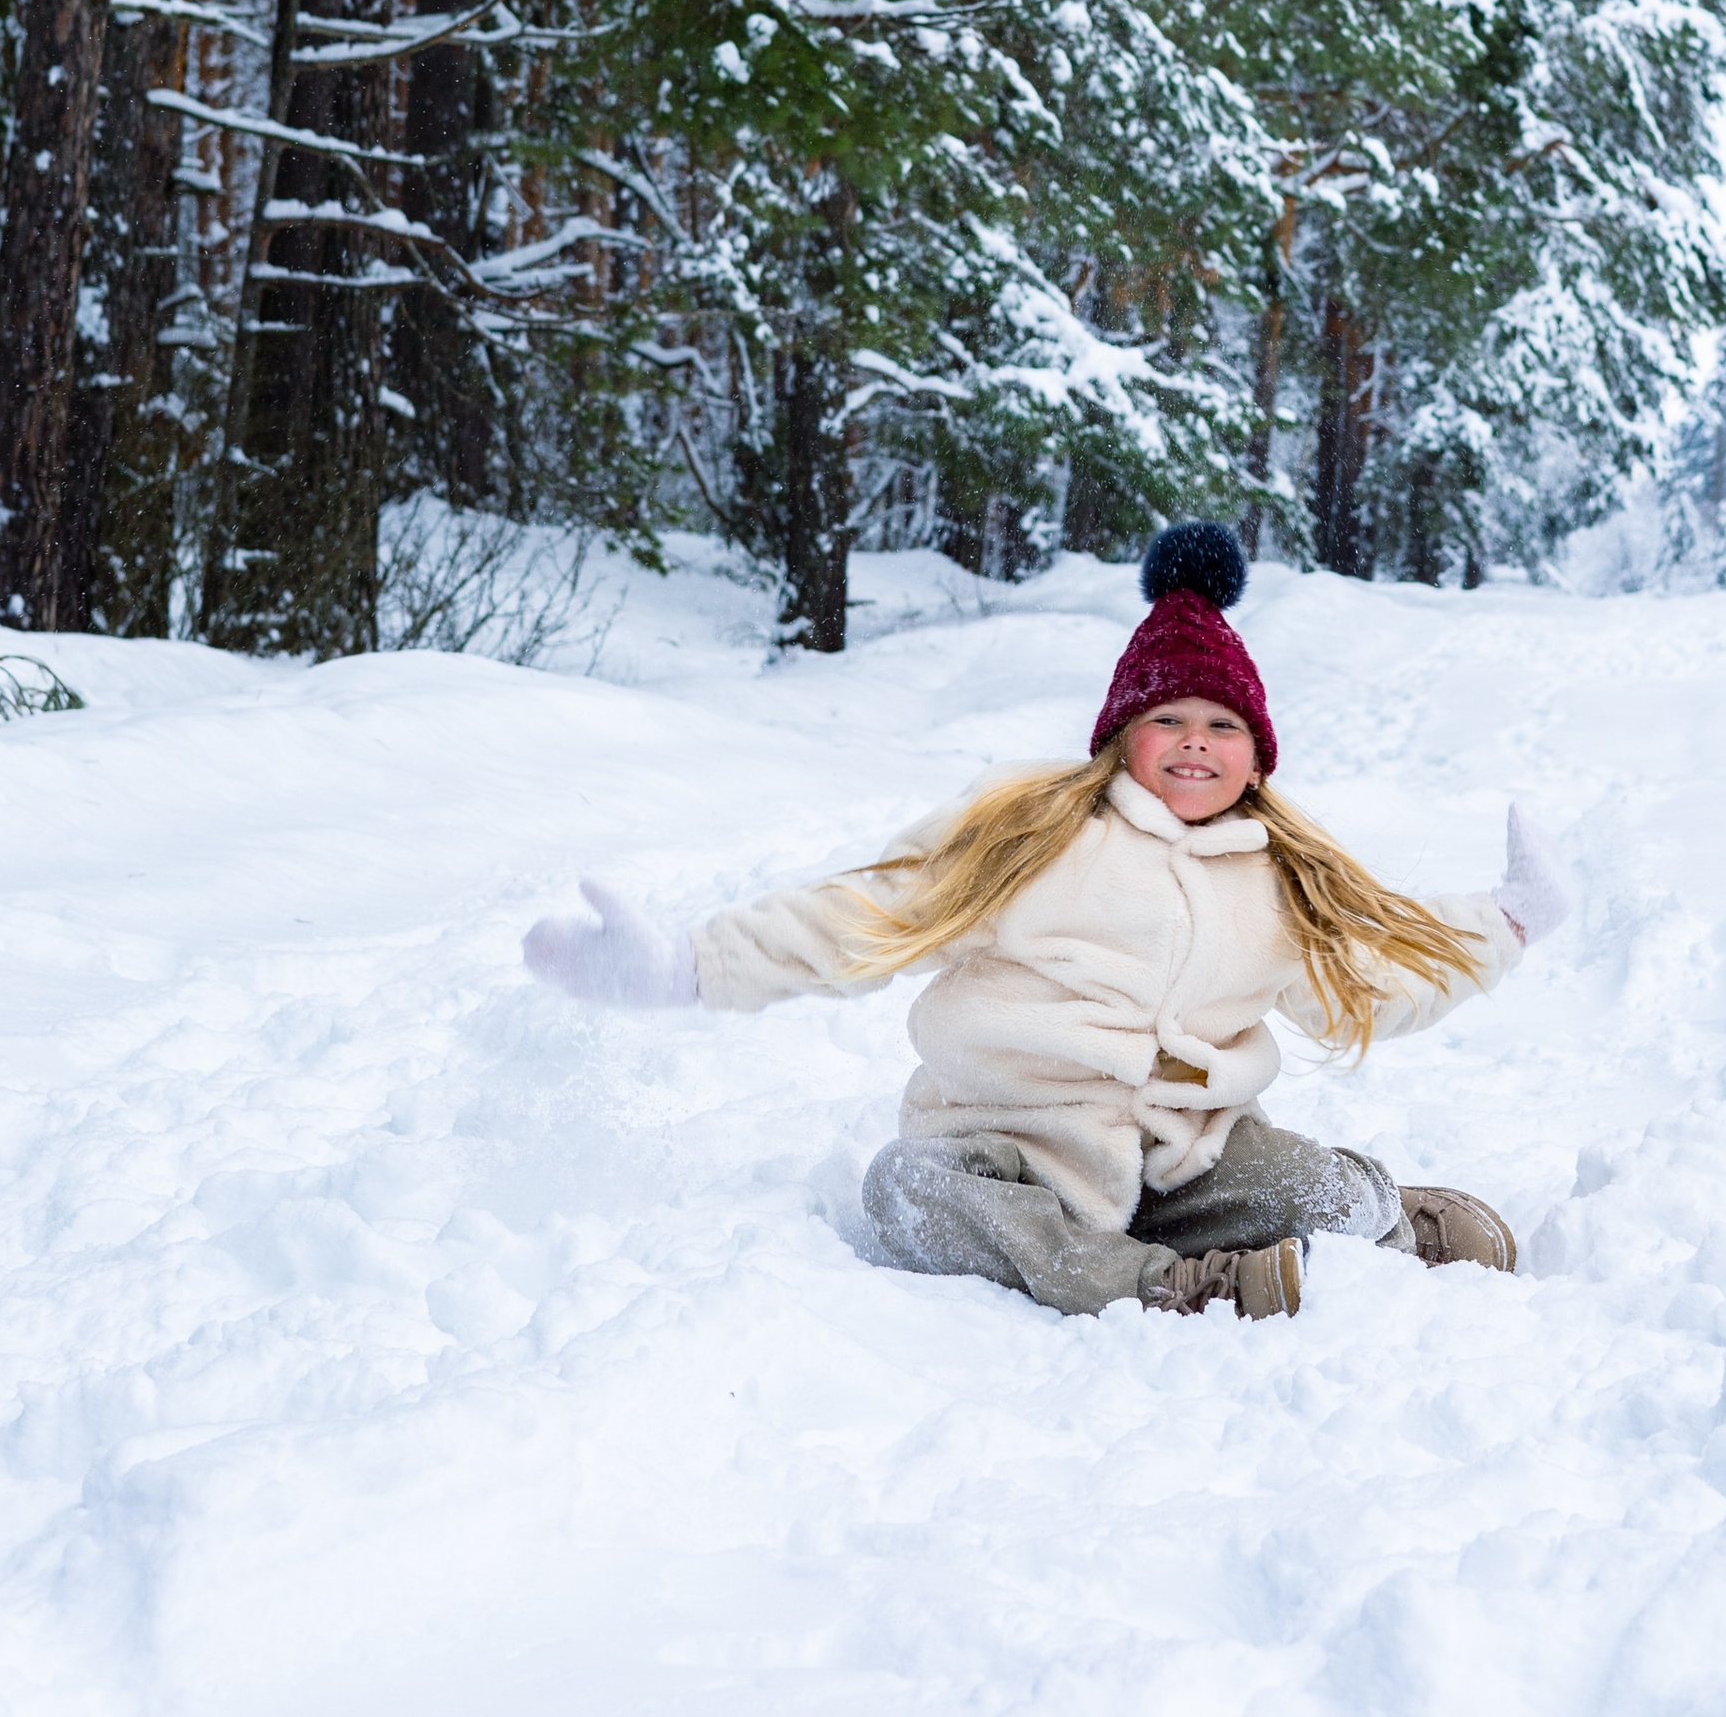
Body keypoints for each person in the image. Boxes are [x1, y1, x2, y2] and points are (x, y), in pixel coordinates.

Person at [524, 522, 1573, 1323]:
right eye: (1167, 720)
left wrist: (1509, 923)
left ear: (1257, 753)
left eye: (1222, 726)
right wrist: (689, 966)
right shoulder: (1034, 834)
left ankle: (1382, 1219)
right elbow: (868, 912)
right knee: (906, 1193)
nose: (1195, 744)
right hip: (1007, 1153)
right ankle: (1179, 1289)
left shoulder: (1275, 882)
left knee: (1319, 1191)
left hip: (1186, 1159)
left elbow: (1374, 988)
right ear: (1120, 735)